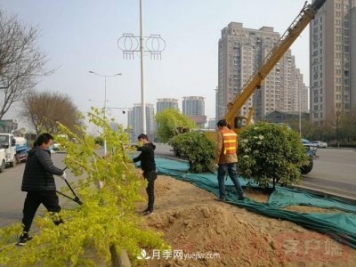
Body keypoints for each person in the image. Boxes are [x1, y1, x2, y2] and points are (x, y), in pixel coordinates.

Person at [17, 133, 66, 246]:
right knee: (55, 212)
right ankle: (65, 234)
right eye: (49, 144)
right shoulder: (41, 153)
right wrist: (61, 173)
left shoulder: (32, 153)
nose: (50, 146)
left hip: (33, 190)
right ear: (43, 143)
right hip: (45, 189)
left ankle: (24, 237)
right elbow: (49, 167)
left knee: (28, 213)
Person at [215, 119, 244, 201]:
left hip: (224, 159)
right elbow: (236, 146)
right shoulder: (233, 133)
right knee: (234, 176)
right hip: (233, 158)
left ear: (220, 126)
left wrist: (216, 161)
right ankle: (241, 194)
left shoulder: (221, 133)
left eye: (218, 127)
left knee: (221, 177)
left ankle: (222, 197)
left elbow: (219, 148)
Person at [133, 133, 157, 216]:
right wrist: (129, 161)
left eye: (140, 140)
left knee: (150, 191)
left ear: (144, 139)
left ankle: (150, 210)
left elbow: (141, 148)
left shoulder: (149, 147)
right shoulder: (145, 150)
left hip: (151, 172)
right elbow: (138, 158)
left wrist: (129, 147)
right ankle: (148, 208)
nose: (139, 142)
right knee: (148, 190)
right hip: (147, 172)